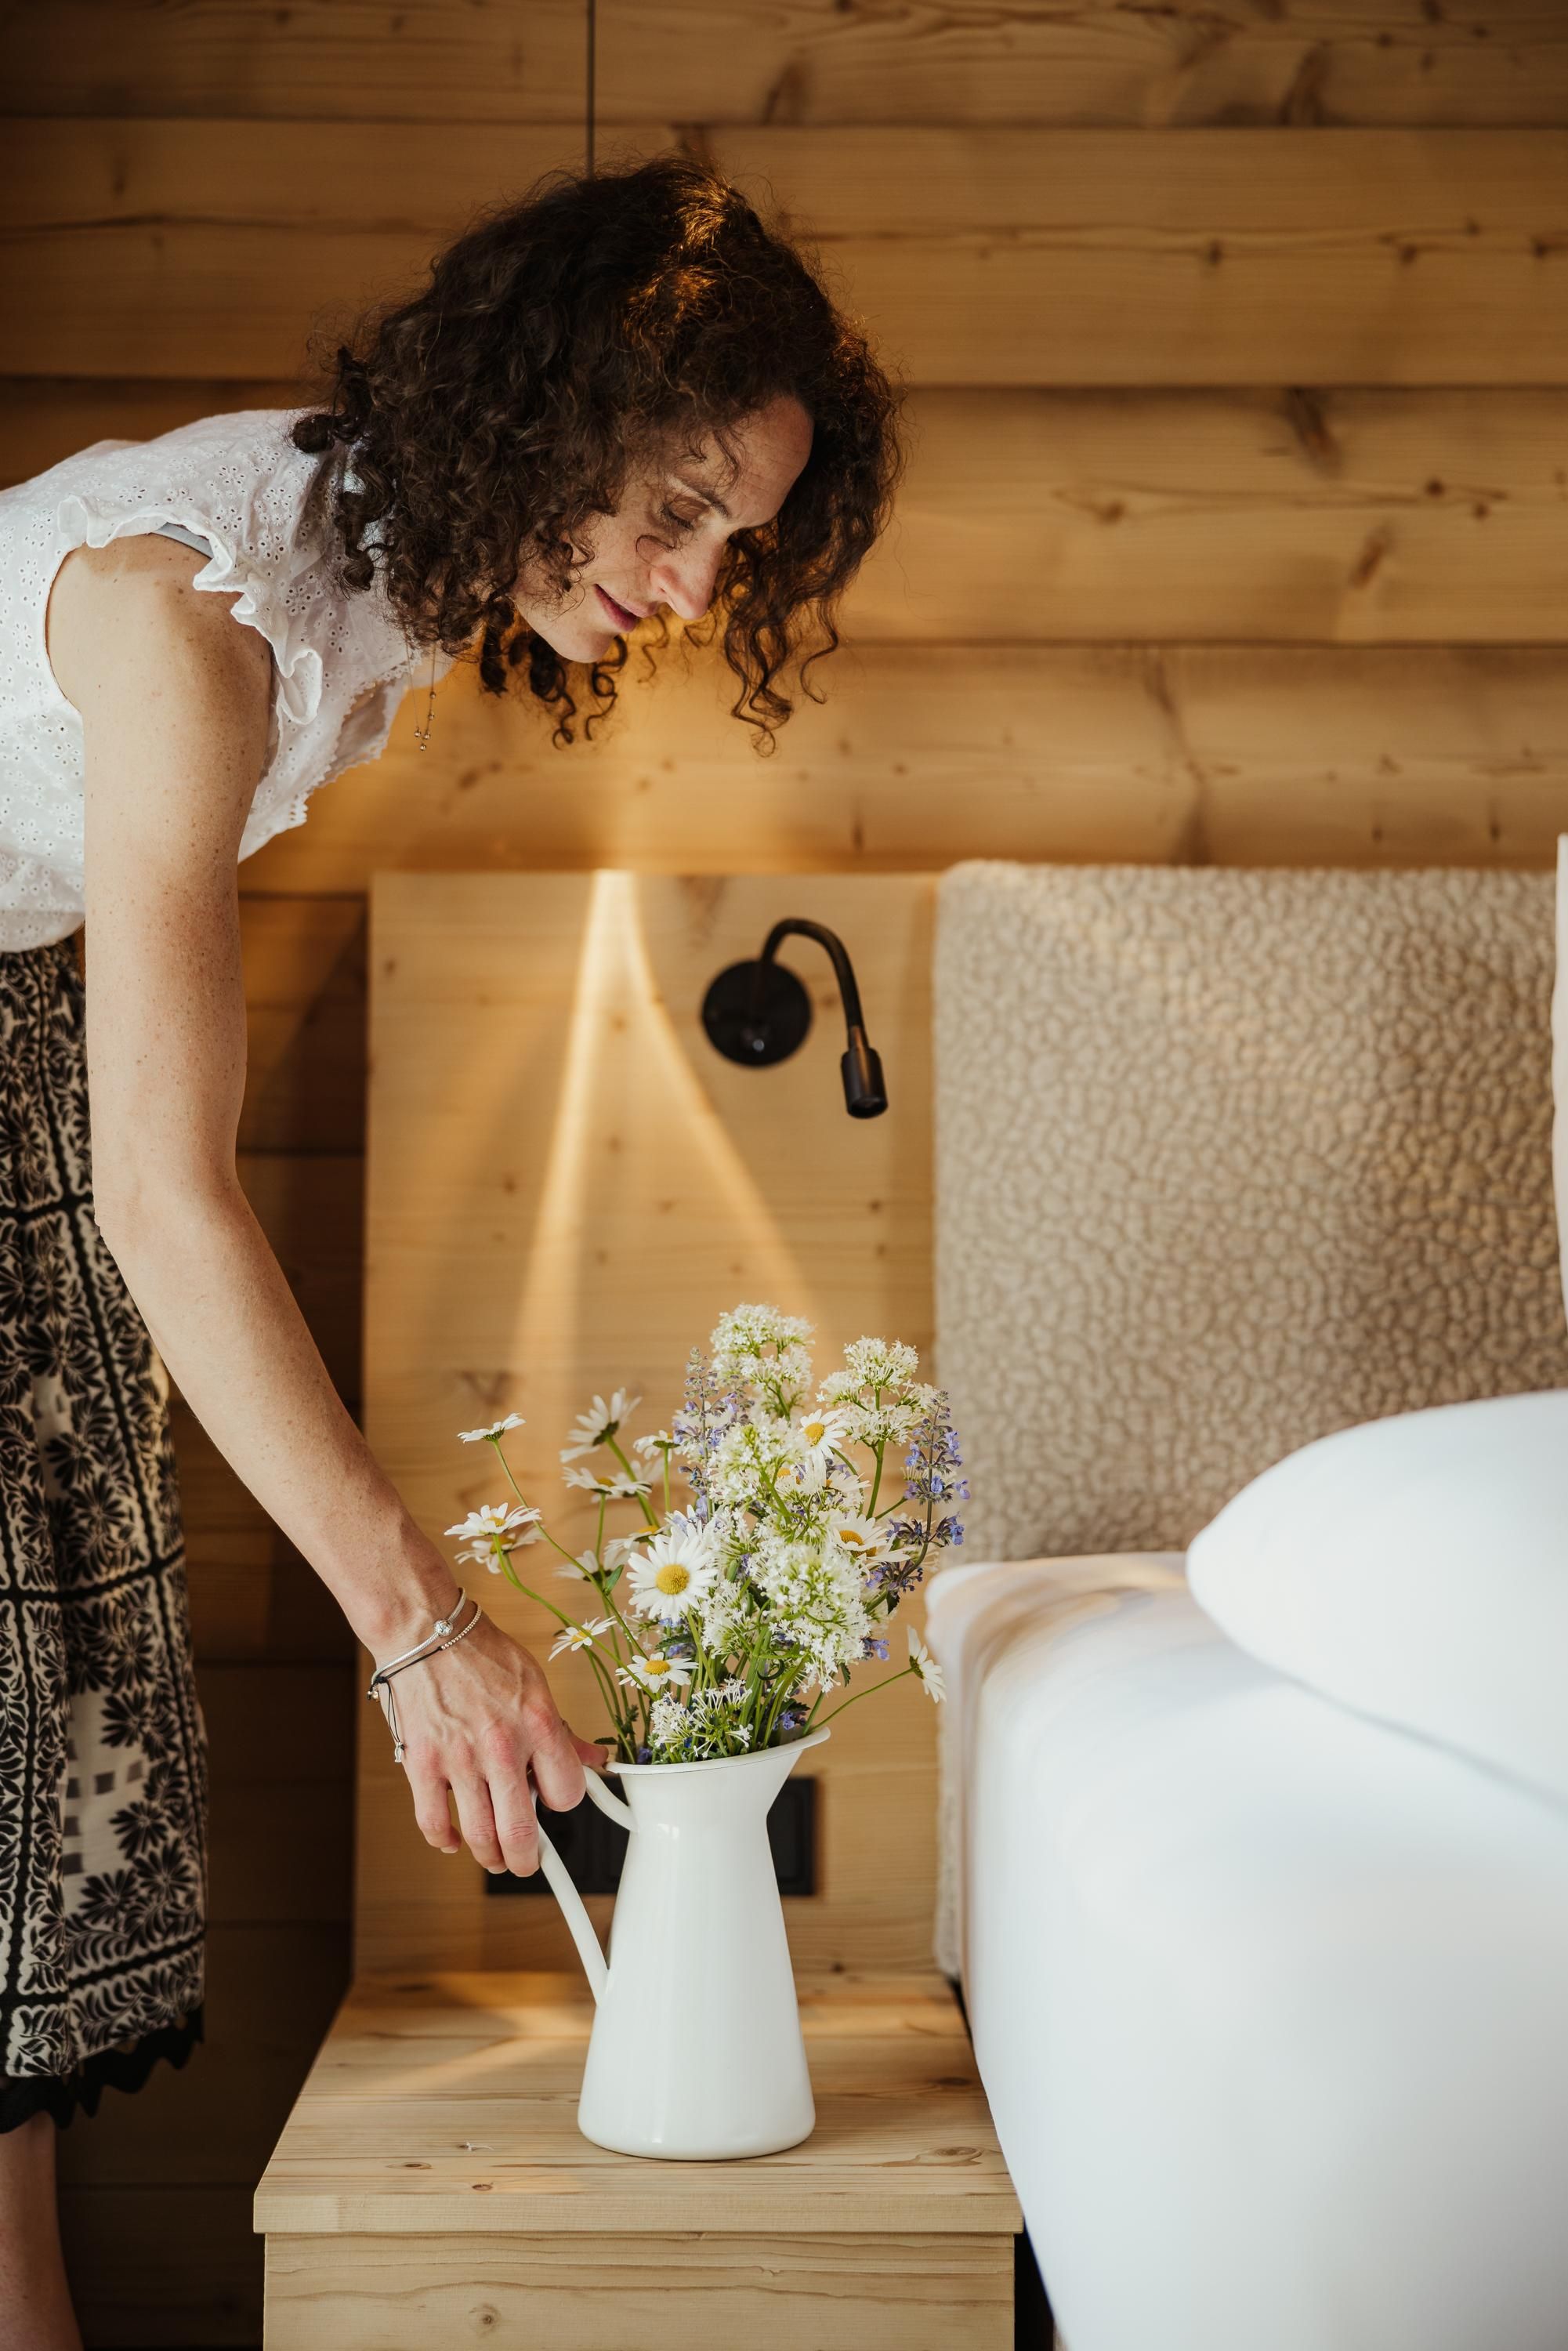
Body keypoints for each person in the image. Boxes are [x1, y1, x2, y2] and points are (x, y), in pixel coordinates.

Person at [0, 152, 904, 2346]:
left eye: (739, 545)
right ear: (548, 413)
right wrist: (418, 1629)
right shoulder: (199, 611)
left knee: (36, 1793)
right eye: (676, 509)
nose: (695, 586)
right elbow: (165, 1187)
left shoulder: (366, 612)